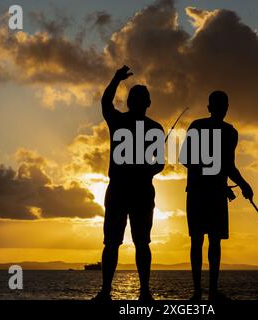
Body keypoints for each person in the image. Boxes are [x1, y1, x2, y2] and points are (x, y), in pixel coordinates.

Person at [94, 66, 164, 302]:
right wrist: (115, 78)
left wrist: (115, 79)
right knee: (121, 242)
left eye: (139, 99)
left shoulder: (133, 124)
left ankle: (128, 292)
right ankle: (122, 292)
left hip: (133, 190)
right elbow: (160, 165)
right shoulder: (149, 127)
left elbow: (160, 164)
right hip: (129, 190)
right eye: (137, 99)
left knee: (133, 242)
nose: (138, 103)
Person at [180, 90, 254, 301]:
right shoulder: (220, 131)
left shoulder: (224, 131)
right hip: (202, 192)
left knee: (207, 242)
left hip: (204, 192)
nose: (223, 108)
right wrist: (230, 183)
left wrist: (243, 184)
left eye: (224, 105)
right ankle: (203, 292)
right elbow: (187, 159)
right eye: (221, 105)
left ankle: (205, 292)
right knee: (204, 241)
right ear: (214, 107)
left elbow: (226, 166)